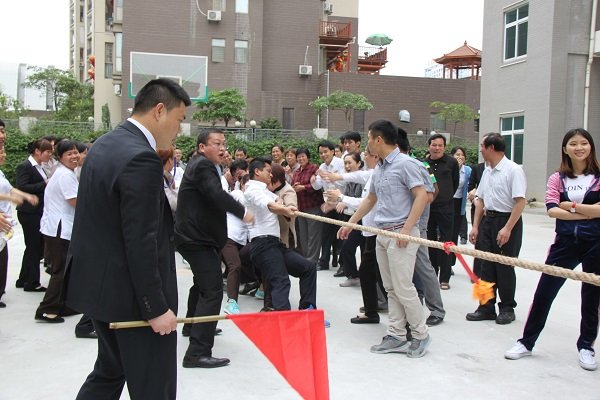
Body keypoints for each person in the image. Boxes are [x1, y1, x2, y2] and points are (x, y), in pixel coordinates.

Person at [65, 78, 191, 400]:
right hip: (133, 299)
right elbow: (142, 240)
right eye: (179, 120)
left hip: (102, 290)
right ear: (160, 111)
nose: (178, 130)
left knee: (110, 371)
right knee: (154, 385)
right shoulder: (141, 158)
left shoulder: (105, 143)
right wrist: (155, 306)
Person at [504, 128, 600, 371]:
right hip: (564, 245)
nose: (579, 147)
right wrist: (587, 212)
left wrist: (571, 207)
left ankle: (586, 346)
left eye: (584, 143)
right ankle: (526, 342)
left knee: (591, 298)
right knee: (544, 293)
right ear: (565, 149)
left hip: (596, 245)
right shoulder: (557, 178)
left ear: (591, 147)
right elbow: (551, 210)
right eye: (573, 143)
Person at [338, 119, 432, 358]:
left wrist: (407, 229)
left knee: (403, 287)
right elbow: (371, 199)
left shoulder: (406, 164)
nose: (367, 143)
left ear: (378, 139)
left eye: (368, 138)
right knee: (390, 288)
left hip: (402, 233)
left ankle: (420, 334)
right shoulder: (380, 167)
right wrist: (350, 224)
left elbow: (422, 196)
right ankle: (397, 334)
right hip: (382, 233)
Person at [175, 128, 254, 369]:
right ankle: (197, 353)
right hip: (196, 240)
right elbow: (216, 195)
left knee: (202, 285)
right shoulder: (203, 166)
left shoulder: (200, 164)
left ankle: (192, 325)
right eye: (216, 143)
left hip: (195, 238)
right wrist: (243, 212)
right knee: (212, 291)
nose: (222, 148)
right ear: (201, 147)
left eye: (224, 143)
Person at [467, 133, 527, 325]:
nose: (481, 150)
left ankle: (507, 307)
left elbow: (520, 202)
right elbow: (480, 200)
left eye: (483, 146)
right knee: (484, 265)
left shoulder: (513, 170)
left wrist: (507, 228)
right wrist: (475, 226)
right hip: (488, 220)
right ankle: (485, 306)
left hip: (507, 220)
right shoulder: (487, 171)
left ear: (491, 148)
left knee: (504, 266)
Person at [244, 158, 317, 312]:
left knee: (308, 268)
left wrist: (286, 205)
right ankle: (283, 319)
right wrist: (283, 209)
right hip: (263, 244)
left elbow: (277, 199)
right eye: (268, 171)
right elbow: (269, 205)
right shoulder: (252, 190)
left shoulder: (265, 190)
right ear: (257, 172)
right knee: (281, 280)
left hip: (275, 245)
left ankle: (307, 310)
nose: (270, 175)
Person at [35, 140, 81, 323]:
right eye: (69, 154)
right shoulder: (65, 175)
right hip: (59, 229)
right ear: (60, 157)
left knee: (65, 269)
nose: (74, 156)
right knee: (60, 270)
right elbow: (75, 201)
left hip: (57, 227)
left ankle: (62, 305)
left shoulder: (65, 172)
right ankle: (47, 309)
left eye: (75, 152)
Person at [0, 148, 39, 308]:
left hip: (5, 220)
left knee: (3, 258)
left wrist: (24, 196)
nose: (4, 155)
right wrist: (11, 198)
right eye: (0, 152)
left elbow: (9, 188)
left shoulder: (0, 172)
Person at [15, 138, 53, 292]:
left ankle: (23, 278)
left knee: (33, 247)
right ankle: (32, 282)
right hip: (28, 212)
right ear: (38, 151)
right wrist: (44, 184)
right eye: (48, 152)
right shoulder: (25, 166)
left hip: (37, 211)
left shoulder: (41, 167)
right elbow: (22, 186)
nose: (50, 155)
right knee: (34, 247)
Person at [426, 134, 459, 289]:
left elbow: (455, 182)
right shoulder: (424, 164)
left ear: (444, 147)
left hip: (446, 207)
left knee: (446, 242)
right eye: (434, 145)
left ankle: (444, 278)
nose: (437, 148)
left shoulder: (451, 162)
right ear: (429, 146)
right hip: (429, 208)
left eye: (440, 145)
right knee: (430, 241)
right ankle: (432, 274)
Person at [312, 140, 345, 270]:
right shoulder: (321, 167)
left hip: (341, 203)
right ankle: (324, 261)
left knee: (341, 234)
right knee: (325, 234)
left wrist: (327, 177)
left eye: (325, 152)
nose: (323, 155)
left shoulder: (341, 163)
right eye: (321, 153)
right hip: (328, 203)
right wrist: (313, 180)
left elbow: (343, 183)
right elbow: (317, 186)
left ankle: (341, 263)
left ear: (332, 151)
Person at [291, 148, 323, 263]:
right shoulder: (296, 172)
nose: (301, 158)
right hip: (301, 207)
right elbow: (292, 186)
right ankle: (305, 259)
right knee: (303, 236)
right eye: (299, 156)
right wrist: (295, 187)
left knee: (313, 236)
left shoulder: (314, 168)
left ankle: (312, 260)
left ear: (308, 157)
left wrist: (304, 187)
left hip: (313, 206)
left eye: (303, 156)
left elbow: (317, 184)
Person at [449, 146, 472, 272]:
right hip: (447, 203)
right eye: (457, 154)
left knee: (454, 235)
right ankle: (443, 263)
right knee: (444, 234)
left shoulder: (468, 170)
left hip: (459, 204)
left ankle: (450, 264)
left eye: (462, 155)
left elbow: (472, 184)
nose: (460, 157)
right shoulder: (448, 168)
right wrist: (455, 168)